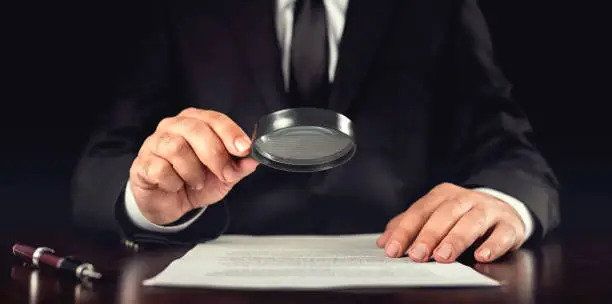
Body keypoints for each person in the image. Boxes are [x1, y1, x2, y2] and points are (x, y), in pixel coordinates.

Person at [72, 0, 560, 264]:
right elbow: (102, 163)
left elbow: (511, 149)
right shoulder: (184, 9)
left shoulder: (436, 7)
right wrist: (148, 200)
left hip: (405, 268)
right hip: (214, 274)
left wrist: (503, 202)